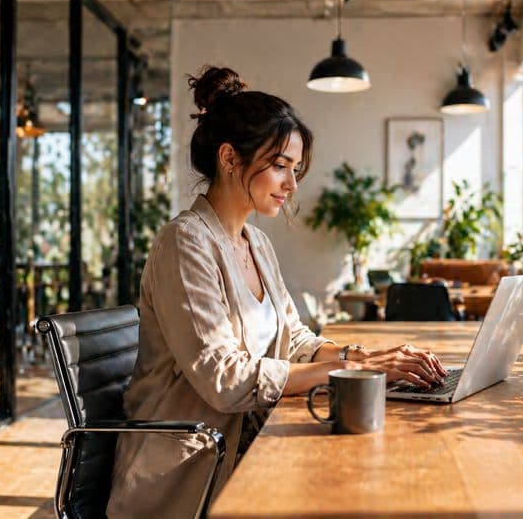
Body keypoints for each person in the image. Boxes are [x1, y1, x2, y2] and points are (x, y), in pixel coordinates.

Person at [107, 66, 448, 518]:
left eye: (295, 169)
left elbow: (296, 338)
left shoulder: (257, 243)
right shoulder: (184, 242)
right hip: (188, 474)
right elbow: (225, 381)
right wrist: (348, 369)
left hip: (247, 448)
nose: (291, 185)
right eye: (281, 166)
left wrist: (363, 357)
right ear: (230, 159)